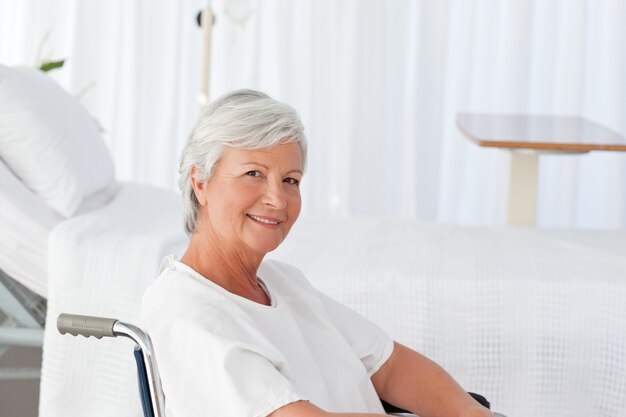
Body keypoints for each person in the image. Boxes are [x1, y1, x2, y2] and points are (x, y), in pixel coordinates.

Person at [140, 90, 494, 417]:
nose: (277, 200)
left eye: (290, 180)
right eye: (253, 174)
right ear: (200, 183)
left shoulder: (283, 282)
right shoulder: (186, 312)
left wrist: (470, 414)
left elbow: (387, 365)